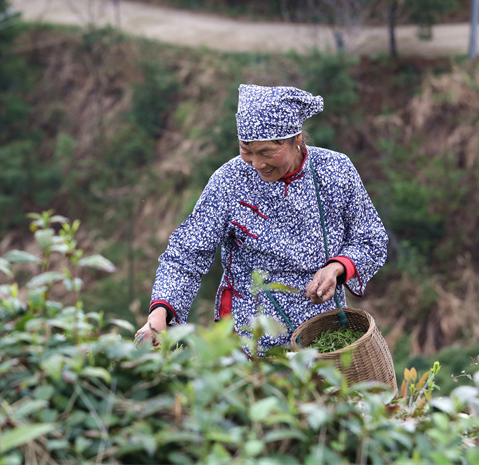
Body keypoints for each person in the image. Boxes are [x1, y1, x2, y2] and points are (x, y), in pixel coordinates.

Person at [135, 84, 388, 355]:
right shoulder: (229, 181)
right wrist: (159, 313)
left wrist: (338, 267)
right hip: (248, 342)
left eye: (267, 152)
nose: (257, 164)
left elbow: (371, 239)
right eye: (247, 150)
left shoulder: (335, 171)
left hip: (321, 337)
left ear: (298, 139)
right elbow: (186, 254)